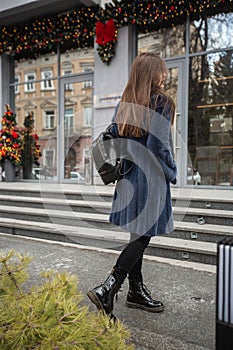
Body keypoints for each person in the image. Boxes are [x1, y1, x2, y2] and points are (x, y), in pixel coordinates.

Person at [87, 52, 177, 319]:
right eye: (162, 70)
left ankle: (135, 291)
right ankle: (109, 287)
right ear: (152, 74)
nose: (165, 75)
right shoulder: (162, 102)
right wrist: (172, 171)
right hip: (149, 178)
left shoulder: (125, 104)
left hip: (128, 179)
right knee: (143, 237)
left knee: (136, 235)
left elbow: (106, 140)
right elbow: (158, 146)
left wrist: (110, 170)